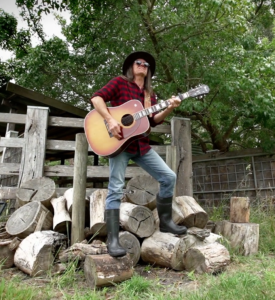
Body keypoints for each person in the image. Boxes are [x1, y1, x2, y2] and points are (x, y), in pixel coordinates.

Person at [90, 51, 187, 257]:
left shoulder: (150, 95)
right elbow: (97, 98)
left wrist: (170, 107)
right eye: (138, 62)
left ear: (149, 70)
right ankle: (113, 240)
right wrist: (110, 119)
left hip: (141, 145)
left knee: (169, 176)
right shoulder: (119, 83)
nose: (142, 65)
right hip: (119, 144)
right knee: (115, 188)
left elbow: (152, 121)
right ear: (131, 66)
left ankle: (167, 223)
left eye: (146, 64)